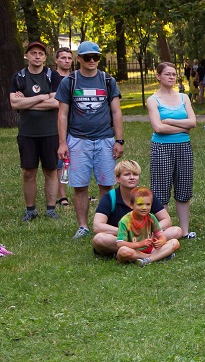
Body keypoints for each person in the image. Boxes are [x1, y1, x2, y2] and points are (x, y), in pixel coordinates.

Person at [55, 41, 124, 240]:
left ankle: (102, 224)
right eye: (87, 57)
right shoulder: (70, 81)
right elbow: (62, 114)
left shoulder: (108, 80)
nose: (92, 60)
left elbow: (116, 111)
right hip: (78, 140)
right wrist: (62, 142)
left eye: (96, 57)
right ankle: (83, 226)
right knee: (80, 185)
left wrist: (119, 140)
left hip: (105, 140)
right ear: (79, 59)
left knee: (106, 184)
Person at [11, 41, 63, 221]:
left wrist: (27, 101)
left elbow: (57, 103)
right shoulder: (19, 76)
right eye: (33, 53)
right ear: (27, 56)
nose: (37, 56)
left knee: (50, 170)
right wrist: (43, 97)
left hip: (50, 132)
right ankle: (30, 210)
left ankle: (50, 209)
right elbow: (14, 103)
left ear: (45, 57)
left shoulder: (53, 76)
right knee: (28, 171)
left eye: (40, 54)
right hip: (27, 133)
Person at [145, 62, 197, 239]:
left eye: (174, 74)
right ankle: (162, 230)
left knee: (184, 188)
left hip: (183, 146)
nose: (171, 77)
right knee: (161, 189)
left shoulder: (184, 98)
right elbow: (158, 128)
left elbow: (193, 122)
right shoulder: (153, 100)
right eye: (167, 74)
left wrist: (170, 121)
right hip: (161, 147)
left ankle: (184, 230)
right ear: (158, 76)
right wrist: (183, 127)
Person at [91, 160, 183, 257]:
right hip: (121, 237)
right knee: (99, 239)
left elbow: (166, 220)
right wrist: (127, 232)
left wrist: (150, 231)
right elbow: (97, 226)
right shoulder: (110, 197)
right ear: (117, 178)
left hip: (146, 236)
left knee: (176, 231)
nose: (132, 177)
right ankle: (154, 254)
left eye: (135, 174)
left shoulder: (146, 194)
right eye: (127, 174)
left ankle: (132, 254)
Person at [114, 186, 180, 265]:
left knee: (175, 242)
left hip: (150, 249)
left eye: (148, 204)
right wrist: (140, 244)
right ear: (131, 205)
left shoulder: (151, 217)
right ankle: (155, 257)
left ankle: (147, 260)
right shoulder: (125, 221)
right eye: (140, 204)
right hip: (134, 250)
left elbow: (161, 235)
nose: (144, 208)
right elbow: (120, 244)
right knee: (123, 251)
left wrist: (161, 241)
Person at [53, 46, 73, 209]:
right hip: (54, 124)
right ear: (56, 60)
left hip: (74, 125)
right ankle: (62, 195)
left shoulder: (76, 78)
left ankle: (79, 192)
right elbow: (52, 102)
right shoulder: (51, 78)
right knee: (60, 162)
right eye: (63, 58)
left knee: (75, 161)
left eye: (69, 58)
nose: (66, 61)